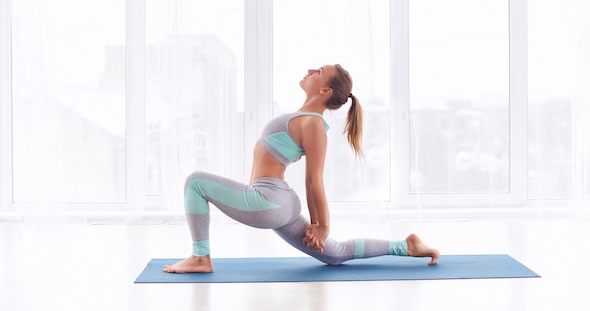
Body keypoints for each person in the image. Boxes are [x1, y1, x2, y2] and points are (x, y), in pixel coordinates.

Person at [164, 64, 439, 273]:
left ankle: (200, 257)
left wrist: (323, 226)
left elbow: (314, 181)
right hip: (276, 202)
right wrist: (318, 228)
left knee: (194, 182)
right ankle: (406, 246)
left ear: (325, 91)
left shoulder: (314, 125)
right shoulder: (305, 119)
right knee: (335, 254)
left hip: (268, 202)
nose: (310, 70)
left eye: (318, 71)